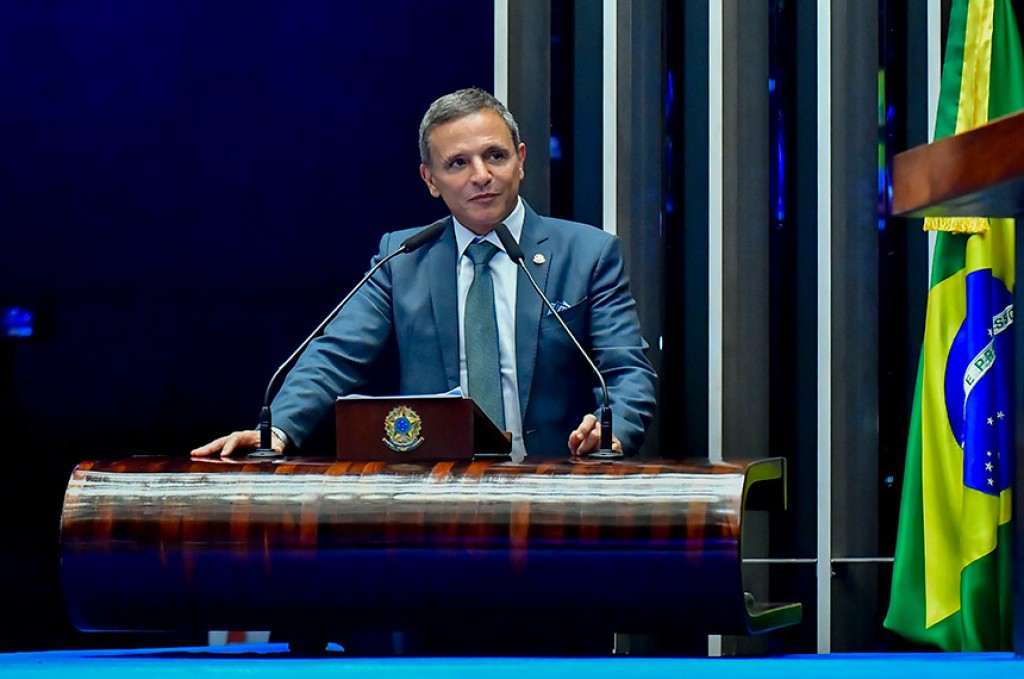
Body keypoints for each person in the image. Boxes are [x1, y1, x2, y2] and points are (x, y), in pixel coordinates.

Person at [193, 88, 656, 461]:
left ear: (521, 160)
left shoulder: (588, 253)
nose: (481, 175)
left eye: (495, 156)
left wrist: (612, 429)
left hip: (554, 486)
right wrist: (277, 430)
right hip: (436, 490)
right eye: (458, 163)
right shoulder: (402, 258)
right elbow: (335, 356)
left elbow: (626, 371)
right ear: (430, 180)